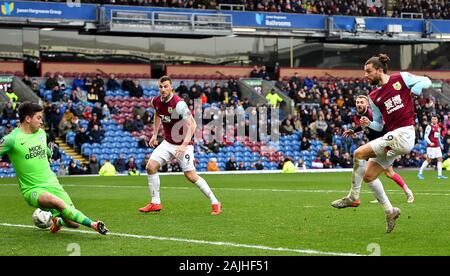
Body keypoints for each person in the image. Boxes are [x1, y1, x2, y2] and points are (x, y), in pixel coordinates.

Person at [331, 53, 431, 233]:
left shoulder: (400, 78)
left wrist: (416, 89)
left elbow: (426, 81)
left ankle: (353, 197)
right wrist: (369, 124)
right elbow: (379, 124)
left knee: (358, 154)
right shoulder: (374, 96)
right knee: (369, 176)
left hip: (405, 133)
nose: (365, 75)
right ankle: (390, 211)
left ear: (379, 70)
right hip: (394, 137)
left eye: (368, 71)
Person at [0, 102, 108, 234]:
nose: (41, 121)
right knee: (55, 201)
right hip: (33, 189)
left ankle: (57, 221)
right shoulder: (11, 139)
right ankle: (94, 224)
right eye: (38, 118)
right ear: (28, 119)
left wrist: (49, 152)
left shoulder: (41, 134)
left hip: (52, 183)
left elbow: (45, 151)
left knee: (74, 224)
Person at [138, 76, 221, 215]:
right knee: (150, 167)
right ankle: (155, 202)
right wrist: (154, 134)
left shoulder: (179, 104)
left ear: (171, 87)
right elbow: (157, 115)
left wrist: (183, 145)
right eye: (161, 87)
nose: (163, 89)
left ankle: (215, 202)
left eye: (165, 86)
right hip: (168, 142)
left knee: (191, 176)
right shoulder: (156, 101)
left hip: (184, 144)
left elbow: (192, 124)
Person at [341, 94, 414, 203]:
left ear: (367, 104)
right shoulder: (364, 115)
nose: (359, 104)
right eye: (357, 102)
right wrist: (354, 131)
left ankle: (356, 197)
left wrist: (388, 146)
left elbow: (381, 128)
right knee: (380, 173)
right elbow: (365, 126)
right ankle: (398, 193)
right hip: (377, 146)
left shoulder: (370, 114)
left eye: (362, 102)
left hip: (383, 146)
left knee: (366, 163)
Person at [418, 114, 448, 179]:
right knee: (428, 160)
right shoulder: (429, 127)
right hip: (431, 147)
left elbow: (438, 137)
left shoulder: (438, 127)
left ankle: (439, 175)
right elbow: (425, 136)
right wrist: (430, 142)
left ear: (437, 120)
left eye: (435, 119)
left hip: (437, 147)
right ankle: (420, 173)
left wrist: (441, 144)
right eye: (433, 119)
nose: (434, 120)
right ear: (431, 120)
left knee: (440, 159)